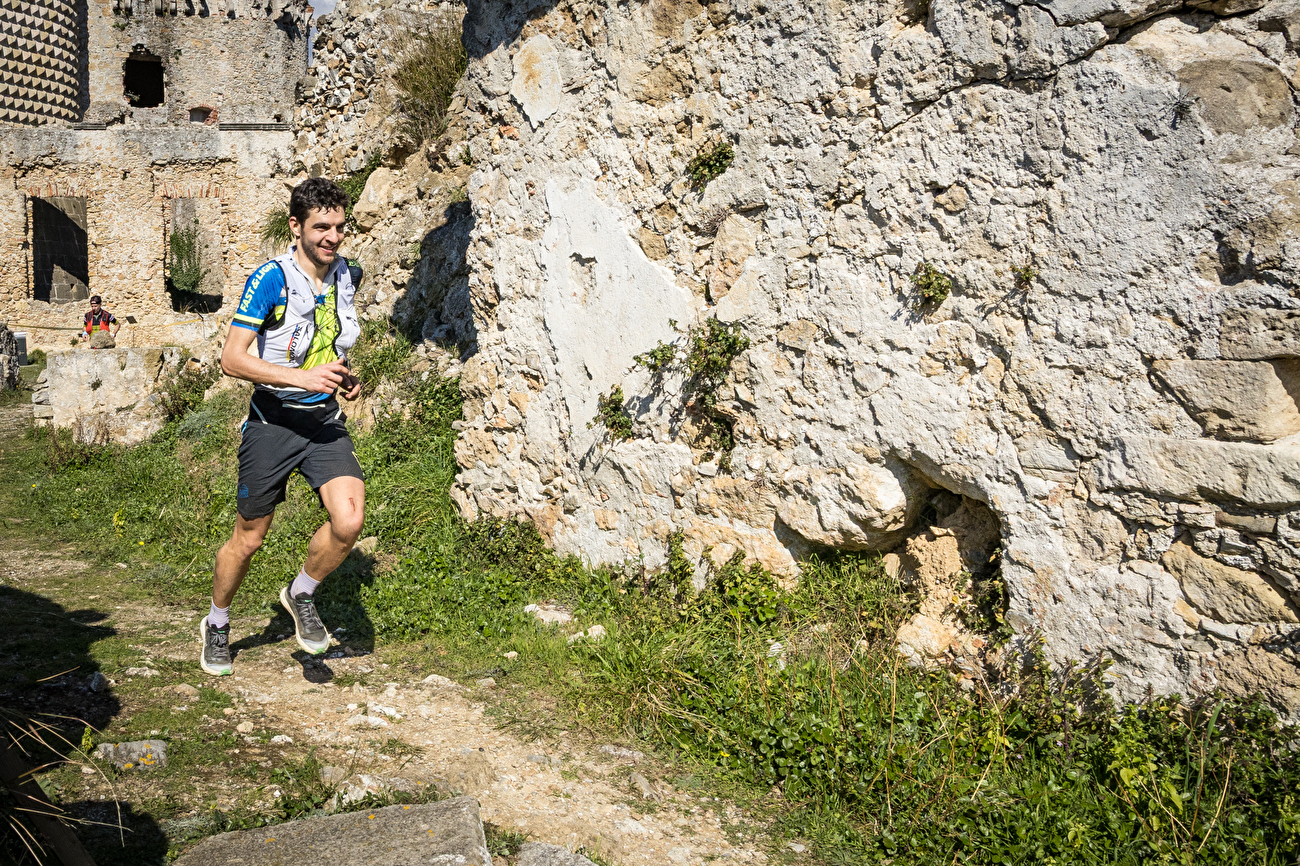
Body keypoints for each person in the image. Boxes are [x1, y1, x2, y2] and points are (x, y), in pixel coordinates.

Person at [200, 177, 366, 677]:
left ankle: (301, 593)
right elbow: (232, 360)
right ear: (296, 226)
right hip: (272, 421)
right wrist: (302, 377)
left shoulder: (349, 275)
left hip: (323, 420)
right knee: (248, 539)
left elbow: (327, 342)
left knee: (349, 521)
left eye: (339, 227)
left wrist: (342, 377)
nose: (332, 237)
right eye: (321, 227)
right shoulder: (271, 278)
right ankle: (217, 621)